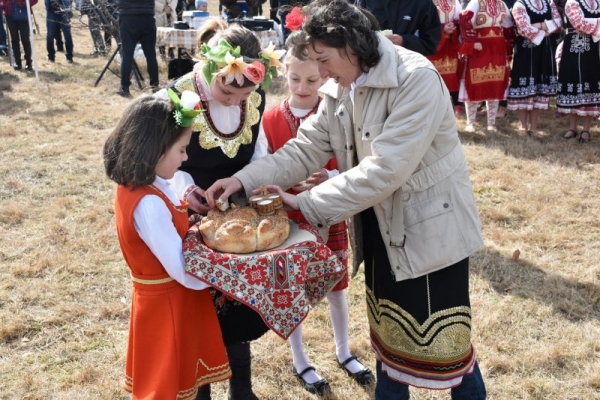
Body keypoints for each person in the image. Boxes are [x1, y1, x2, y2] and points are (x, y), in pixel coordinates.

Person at [204, 1, 487, 399]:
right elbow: (304, 151)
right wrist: (240, 180)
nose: (319, 73)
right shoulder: (342, 85)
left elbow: (384, 171)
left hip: (429, 232)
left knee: (448, 350)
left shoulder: (415, 79)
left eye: (324, 59)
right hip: (384, 229)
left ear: (353, 46)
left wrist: (306, 204)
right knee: (389, 342)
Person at [155, 24, 285, 400]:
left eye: (245, 94)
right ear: (210, 71)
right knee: (199, 304)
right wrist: (188, 191)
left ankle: (241, 387)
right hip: (188, 214)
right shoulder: (178, 98)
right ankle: (202, 390)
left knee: (237, 302)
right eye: (227, 91)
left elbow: (259, 154)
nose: (234, 101)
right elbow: (160, 165)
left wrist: (251, 185)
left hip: (238, 216)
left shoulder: (249, 100)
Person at [102, 91, 232, 399]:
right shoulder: (149, 204)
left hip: (169, 301)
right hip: (168, 306)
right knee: (166, 385)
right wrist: (230, 271)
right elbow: (183, 271)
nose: (186, 158)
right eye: (182, 150)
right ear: (156, 151)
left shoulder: (142, 187)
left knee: (178, 382)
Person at [259, 49, 375, 396]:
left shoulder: (335, 114)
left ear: (325, 76)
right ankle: (300, 359)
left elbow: (355, 164)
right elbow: (264, 164)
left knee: (337, 286)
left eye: (312, 79)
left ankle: (343, 350)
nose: (302, 87)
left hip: (328, 213)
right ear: (285, 76)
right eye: (295, 79)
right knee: (293, 290)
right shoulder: (270, 119)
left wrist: (330, 174)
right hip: (289, 220)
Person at [507, 0, 561, 137]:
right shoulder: (520, 4)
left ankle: (533, 127)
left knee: (538, 87)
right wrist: (545, 31)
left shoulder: (548, 2)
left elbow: (558, 22)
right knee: (523, 86)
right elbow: (523, 28)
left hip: (544, 50)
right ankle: (523, 125)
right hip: (525, 50)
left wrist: (540, 25)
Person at [458, 0, 514, 132]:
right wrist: (472, 40)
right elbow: (464, 18)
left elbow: (508, 26)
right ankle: (470, 122)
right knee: (474, 81)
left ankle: (491, 123)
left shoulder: (501, 4)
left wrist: (508, 46)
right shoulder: (476, 2)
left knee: (495, 83)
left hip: (497, 49)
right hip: (479, 47)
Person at [556, 0, 600, 143]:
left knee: (590, 83)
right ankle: (572, 127)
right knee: (572, 82)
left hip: (593, 48)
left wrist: (589, 25)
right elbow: (578, 22)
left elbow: (584, 24)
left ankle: (586, 129)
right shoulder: (572, 2)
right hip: (572, 48)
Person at [358, 0, 442, 56]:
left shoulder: (423, 3)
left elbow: (430, 44)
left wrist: (404, 41)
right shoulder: (365, 1)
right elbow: (353, 34)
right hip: (371, 69)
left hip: (409, 70)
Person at [427, 0, 464, 116]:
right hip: (433, 41)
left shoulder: (454, 2)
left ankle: (456, 103)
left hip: (450, 43)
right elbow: (423, 21)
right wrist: (442, 29)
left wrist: (453, 27)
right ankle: (433, 103)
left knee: (451, 73)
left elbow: (459, 19)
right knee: (432, 74)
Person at [116, 0, 159, 97]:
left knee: (127, 55)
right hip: (147, 15)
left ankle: (124, 87)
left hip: (128, 16)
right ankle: (155, 86)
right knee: (151, 55)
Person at [1, 0, 38, 70]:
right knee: (14, 39)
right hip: (10, 14)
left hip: (23, 13)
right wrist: (4, 5)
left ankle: (28, 62)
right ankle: (17, 62)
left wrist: (23, 3)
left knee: (25, 39)